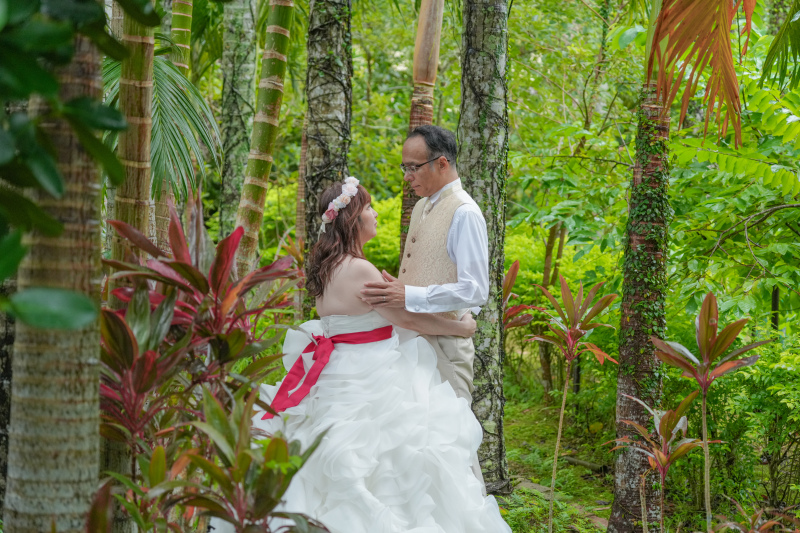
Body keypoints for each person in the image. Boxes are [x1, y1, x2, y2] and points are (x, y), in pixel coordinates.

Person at [214, 177, 511, 533]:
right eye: (368, 207)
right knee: (392, 457)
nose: (374, 213)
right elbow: (402, 316)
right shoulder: (359, 269)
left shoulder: (329, 267)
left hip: (339, 365)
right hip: (372, 367)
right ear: (353, 218)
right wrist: (460, 328)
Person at [360, 125, 488, 486]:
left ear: (442, 163)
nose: (408, 176)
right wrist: (399, 288)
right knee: (412, 442)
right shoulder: (420, 208)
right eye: (404, 167)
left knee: (451, 442)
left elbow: (475, 290)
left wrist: (410, 296)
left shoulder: (465, 212)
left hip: (446, 346)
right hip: (409, 341)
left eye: (414, 167)